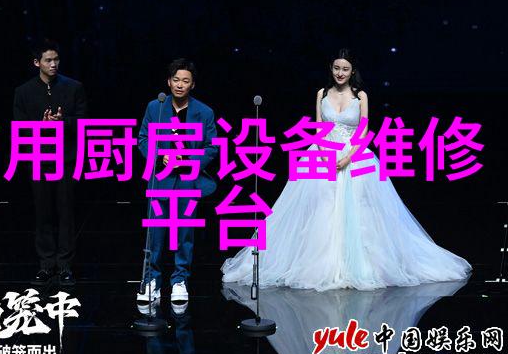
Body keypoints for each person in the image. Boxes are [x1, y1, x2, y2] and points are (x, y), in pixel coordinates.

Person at [221, 49, 471, 291]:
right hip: (323, 153)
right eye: (336, 68)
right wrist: (324, 154)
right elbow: (318, 126)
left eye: (345, 69)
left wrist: (349, 157)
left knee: (362, 212)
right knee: (321, 209)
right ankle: (319, 265)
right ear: (331, 69)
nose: (340, 73)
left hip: (355, 155)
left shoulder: (360, 96)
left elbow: (364, 129)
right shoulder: (321, 93)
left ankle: (362, 266)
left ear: (352, 71)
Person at [137, 58, 218, 303]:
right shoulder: (156, 107)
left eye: (185, 81)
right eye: (176, 80)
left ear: (193, 85)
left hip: (187, 180)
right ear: (168, 82)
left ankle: (180, 280)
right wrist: (160, 156)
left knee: (184, 233)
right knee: (155, 233)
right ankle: (151, 280)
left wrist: (190, 159)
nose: (180, 85)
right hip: (161, 178)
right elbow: (143, 138)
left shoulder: (204, 112)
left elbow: (212, 147)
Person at [13, 39, 87, 286]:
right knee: (42, 212)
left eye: (56, 60)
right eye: (48, 60)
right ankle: (46, 264)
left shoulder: (73, 87)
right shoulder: (24, 91)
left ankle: (65, 266)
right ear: (37, 63)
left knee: (66, 212)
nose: (53, 64)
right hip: (39, 158)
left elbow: (84, 122)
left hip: (66, 159)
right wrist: (41, 125)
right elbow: (19, 127)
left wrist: (63, 122)